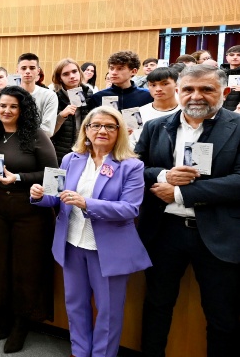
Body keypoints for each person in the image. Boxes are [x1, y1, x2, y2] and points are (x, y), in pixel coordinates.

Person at [135, 64, 240, 357]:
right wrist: (162, 176)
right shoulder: (157, 126)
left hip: (219, 236)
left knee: (222, 317)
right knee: (157, 306)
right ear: (178, 91)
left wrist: (181, 193)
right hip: (164, 232)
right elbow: (135, 166)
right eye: (189, 89)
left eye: (206, 89)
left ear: (225, 92)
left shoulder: (238, 127)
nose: (197, 96)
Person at [30, 106, 149, 357]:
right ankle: (80, 351)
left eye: (109, 126)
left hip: (107, 249)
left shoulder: (131, 166)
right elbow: (56, 197)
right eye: (95, 125)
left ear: (119, 132)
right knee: (75, 305)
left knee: (108, 311)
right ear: (86, 130)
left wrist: (87, 203)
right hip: (72, 243)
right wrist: (40, 195)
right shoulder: (71, 159)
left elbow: (130, 209)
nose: (102, 131)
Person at [0, 86, 58, 353]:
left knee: (26, 268)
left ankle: (21, 323)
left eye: (13, 106)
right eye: (2, 106)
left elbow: (53, 174)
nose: (7, 111)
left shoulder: (37, 136)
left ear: (23, 110)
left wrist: (20, 178)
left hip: (30, 213)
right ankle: (3, 312)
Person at [50, 58, 94, 164]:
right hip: (60, 152)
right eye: (66, 74)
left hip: (85, 150)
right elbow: (49, 132)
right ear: (60, 78)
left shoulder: (89, 93)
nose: (72, 76)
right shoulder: (53, 96)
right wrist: (62, 115)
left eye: (74, 71)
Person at [88, 51, 153, 112]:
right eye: (111, 68)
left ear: (133, 71)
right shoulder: (98, 97)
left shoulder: (148, 96)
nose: (114, 72)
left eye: (120, 68)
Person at [15, 53, 57, 137]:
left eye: (32, 68)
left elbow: (47, 130)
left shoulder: (49, 95)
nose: (27, 71)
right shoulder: (10, 95)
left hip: (37, 145)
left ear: (38, 71)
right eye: (23, 68)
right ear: (17, 71)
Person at [223, 45, 240, 112]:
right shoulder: (219, 73)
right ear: (226, 57)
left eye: (239, 55)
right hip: (220, 112)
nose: (235, 57)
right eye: (232, 55)